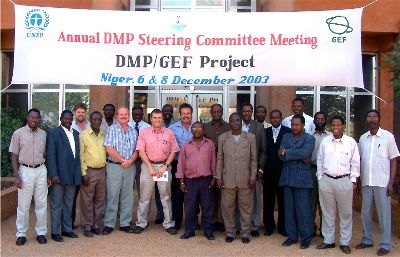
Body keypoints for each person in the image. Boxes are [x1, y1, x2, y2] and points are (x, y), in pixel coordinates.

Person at [356, 110, 399, 256]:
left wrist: (391, 182)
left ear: (379, 119)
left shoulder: (388, 137)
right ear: (366, 119)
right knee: (365, 213)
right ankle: (367, 239)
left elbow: (393, 160)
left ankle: (385, 244)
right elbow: (360, 161)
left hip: (382, 182)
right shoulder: (362, 138)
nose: (372, 119)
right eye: (369, 117)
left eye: (374, 117)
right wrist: (359, 180)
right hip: (367, 182)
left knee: (384, 214)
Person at [316, 115, 360, 254]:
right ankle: (328, 240)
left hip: (344, 181)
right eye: (333, 125)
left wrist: (353, 181)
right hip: (326, 181)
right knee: (328, 212)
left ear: (343, 126)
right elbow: (320, 161)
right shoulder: (325, 142)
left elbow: (355, 163)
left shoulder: (351, 142)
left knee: (346, 213)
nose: (335, 128)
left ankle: (345, 242)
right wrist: (320, 178)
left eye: (338, 125)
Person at [133, 109, 179, 235]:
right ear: (151, 118)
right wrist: (150, 167)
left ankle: (168, 223)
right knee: (144, 197)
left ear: (162, 118)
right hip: (148, 167)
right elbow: (141, 151)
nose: (157, 120)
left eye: (159, 117)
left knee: (165, 196)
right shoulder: (144, 132)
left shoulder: (169, 133)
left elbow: (174, 151)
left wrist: (165, 166)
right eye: (155, 117)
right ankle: (141, 223)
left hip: (163, 167)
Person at [9, 108, 48, 246]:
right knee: (23, 205)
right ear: (27, 118)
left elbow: (46, 154)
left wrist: (47, 173)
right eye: (32, 117)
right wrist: (16, 175)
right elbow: (14, 154)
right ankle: (21, 233)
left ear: (39, 119)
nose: (34, 120)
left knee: (42, 203)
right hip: (25, 170)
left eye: (37, 118)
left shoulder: (43, 134)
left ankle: (41, 232)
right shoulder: (18, 133)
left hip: (41, 170)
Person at [216, 113, 257, 244]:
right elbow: (219, 158)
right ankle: (230, 232)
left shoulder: (250, 137)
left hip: (245, 179)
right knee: (227, 207)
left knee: (245, 207)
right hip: (227, 179)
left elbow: (254, 159)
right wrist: (218, 176)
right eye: (232, 120)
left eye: (237, 120)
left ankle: (245, 233)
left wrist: (253, 176)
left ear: (241, 122)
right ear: (229, 122)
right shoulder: (223, 138)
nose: (235, 123)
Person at [279, 114, 315, 249]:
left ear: (303, 125)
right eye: (292, 124)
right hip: (287, 177)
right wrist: (298, 154)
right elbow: (280, 155)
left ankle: (306, 237)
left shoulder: (309, 138)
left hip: (302, 180)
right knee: (289, 209)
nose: (294, 127)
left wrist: (287, 153)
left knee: (303, 209)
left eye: (297, 125)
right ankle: (292, 236)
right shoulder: (286, 137)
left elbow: (305, 153)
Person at [177, 122, 216, 240]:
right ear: (192, 130)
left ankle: (208, 230)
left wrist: (214, 177)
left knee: (207, 206)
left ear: (203, 130)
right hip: (190, 181)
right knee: (190, 207)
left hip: (206, 180)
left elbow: (213, 162)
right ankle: (189, 230)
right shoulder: (185, 145)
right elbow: (181, 164)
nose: (197, 130)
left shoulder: (210, 144)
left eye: (199, 127)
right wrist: (181, 181)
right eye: (194, 127)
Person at [47, 110, 82, 242]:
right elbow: (50, 154)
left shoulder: (76, 134)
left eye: (70, 118)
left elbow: (77, 156)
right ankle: (55, 232)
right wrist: (53, 173)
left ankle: (67, 229)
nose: (68, 120)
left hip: (72, 175)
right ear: (61, 118)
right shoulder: (54, 133)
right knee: (57, 204)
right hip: (59, 176)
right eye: (65, 118)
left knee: (69, 203)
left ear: (72, 120)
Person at [102, 107, 138, 235]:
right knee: (112, 195)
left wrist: (130, 161)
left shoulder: (133, 131)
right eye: (121, 114)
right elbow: (108, 148)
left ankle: (125, 223)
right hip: (114, 166)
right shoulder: (111, 129)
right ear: (117, 116)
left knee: (127, 196)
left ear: (129, 116)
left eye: (126, 114)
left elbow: (137, 150)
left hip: (130, 167)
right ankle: (109, 223)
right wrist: (123, 160)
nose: (123, 116)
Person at [263, 109, 291, 237]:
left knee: (282, 201)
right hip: (268, 172)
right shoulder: (265, 132)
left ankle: (282, 226)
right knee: (268, 201)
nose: (275, 120)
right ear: (270, 119)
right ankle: (268, 226)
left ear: (281, 118)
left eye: (277, 117)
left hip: (282, 172)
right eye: (272, 118)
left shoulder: (288, 132)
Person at [79, 111, 107, 237]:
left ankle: (96, 224)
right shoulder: (83, 135)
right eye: (94, 119)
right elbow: (81, 156)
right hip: (89, 171)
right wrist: (83, 173)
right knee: (87, 200)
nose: (97, 121)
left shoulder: (103, 134)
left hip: (102, 170)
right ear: (90, 121)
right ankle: (87, 225)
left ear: (101, 121)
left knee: (100, 199)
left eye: (99, 119)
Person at [241, 103, 266, 237]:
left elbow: (263, 150)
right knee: (240, 198)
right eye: (244, 111)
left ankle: (254, 226)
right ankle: (240, 224)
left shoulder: (259, 127)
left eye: (248, 111)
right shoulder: (235, 125)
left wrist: (260, 169)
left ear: (252, 112)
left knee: (255, 198)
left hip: (254, 169)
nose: (246, 113)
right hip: (238, 169)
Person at [204, 103, 230, 231]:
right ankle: (212, 220)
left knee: (223, 194)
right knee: (210, 194)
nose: (216, 114)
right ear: (210, 113)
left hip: (224, 165)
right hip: (208, 165)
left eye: (218, 112)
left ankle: (221, 220)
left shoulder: (228, 127)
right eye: (214, 112)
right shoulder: (206, 127)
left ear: (222, 112)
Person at [169, 103, 194, 230]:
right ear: (180, 114)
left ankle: (193, 222)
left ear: (191, 114)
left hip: (193, 166)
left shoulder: (197, 127)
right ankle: (177, 221)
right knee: (177, 195)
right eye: (183, 113)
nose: (186, 116)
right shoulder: (172, 128)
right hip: (177, 164)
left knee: (193, 195)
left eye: (188, 113)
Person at [154, 104, 178, 224]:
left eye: (170, 111)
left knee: (169, 190)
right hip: (159, 165)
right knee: (159, 191)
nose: (167, 112)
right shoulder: (156, 124)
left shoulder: (176, 123)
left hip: (172, 163)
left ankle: (170, 215)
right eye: (165, 111)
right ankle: (160, 214)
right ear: (162, 113)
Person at [310, 111, 331, 237]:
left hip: (326, 172)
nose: (320, 121)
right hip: (312, 170)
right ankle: (311, 228)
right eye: (317, 119)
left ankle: (324, 230)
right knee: (312, 201)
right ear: (314, 121)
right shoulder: (308, 136)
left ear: (325, 120)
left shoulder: (330, 137)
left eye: (322, 119)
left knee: (325, 202)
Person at [70, 103, 90, 228]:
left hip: (90, 166)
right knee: (73, 196)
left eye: (83, 112)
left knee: (88, 197)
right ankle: (70, 222)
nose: (81, 114)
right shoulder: (69, 126)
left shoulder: (91, 125)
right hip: (75, 165)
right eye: (78, 112)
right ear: (74, 113)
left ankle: (88, 222)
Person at [128, 106, 151, 196]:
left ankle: (144, 210)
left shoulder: (148, 127)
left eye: (139, 114)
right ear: (132, 115)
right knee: (127, 189)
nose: (137, 116)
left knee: (143, 190)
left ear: (142, 115)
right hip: (129, 161)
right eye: (135, 114)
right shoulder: (127, 125)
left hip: (142, 162)